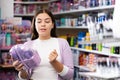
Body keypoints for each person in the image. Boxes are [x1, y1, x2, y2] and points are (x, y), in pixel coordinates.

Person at [10, 9, 74, 80]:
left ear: (52, 25)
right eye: (39, 21)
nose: (43, 24)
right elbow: (25, 77)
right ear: (35, 25)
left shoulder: (62, 43)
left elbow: (69, 75)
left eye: (47, 21)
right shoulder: (27, 45)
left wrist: (54, 62)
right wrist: (21, 70)